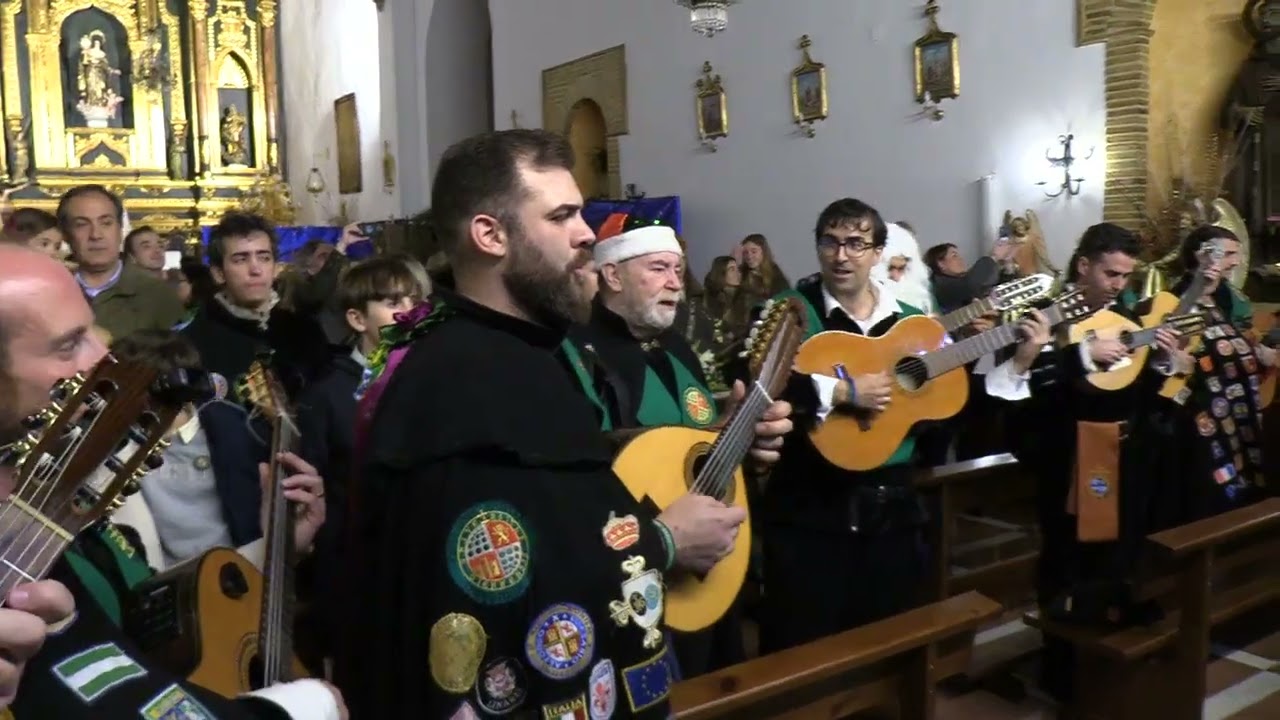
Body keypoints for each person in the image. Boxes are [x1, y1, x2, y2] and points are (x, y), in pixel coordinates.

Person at [336, 129, 745, 719]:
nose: (586, 234)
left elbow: (568, 506)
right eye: (562, 216)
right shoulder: (466, 373)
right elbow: (497, 569)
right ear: (489, 234)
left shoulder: (516, 349)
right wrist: (665, 540)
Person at [0, 243, 344, 717]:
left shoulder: (55, 493)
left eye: (95, 333)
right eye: (69, 344)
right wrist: (298, 709)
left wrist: (275, 544)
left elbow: (149, 613)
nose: (104, 359)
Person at [566, 221, 793, 678]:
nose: (675, 282)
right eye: (658, 268)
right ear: (612, 276)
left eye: (677, 268)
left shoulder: (678, 349)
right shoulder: (578, 350)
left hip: (710, 569)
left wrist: (742, 438)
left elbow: (696, 446)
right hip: (634, 574)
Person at [983, 222, 1190, 702]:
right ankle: (1062, 671)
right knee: (1067, 566)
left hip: (1124, 459)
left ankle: (1106, 664)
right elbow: (1024, 391)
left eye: (1125, 276)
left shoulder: (1128, 323)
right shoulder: (1045, 319)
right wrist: (1081, 355)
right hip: (1070, 461)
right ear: (1083, 266)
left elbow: (1136, 395)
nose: (1119, 284)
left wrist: (1161, 365)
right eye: (1111, 273)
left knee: (1120, 560)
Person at [755, 198, 931, 654]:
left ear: (877, 253)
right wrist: (841, 392)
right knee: (804, 642)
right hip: (809, 505)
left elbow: (940, 399)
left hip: (891, 506)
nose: (841, 255)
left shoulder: (911, 322)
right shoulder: (791, 309)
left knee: (886, 638)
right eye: (830, 243)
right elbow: (759, 378)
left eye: (856, 243)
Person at [1156, 224, 1276, 520]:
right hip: (1201, 416)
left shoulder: (1222, 299)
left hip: (1236, 412)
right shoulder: (1176, 298)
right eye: (1229, 254)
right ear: (1202, 256)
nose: (1235, 262)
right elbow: (1172, 336)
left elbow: (1240, 341)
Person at [181, 212, 329, 402]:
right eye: (241, 259)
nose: (255, 269)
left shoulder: (306, 331)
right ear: (219, 273)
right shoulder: (192, 342)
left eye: (264, 258)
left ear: (275, 268)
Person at [58, 185, 184, 339]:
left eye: (106, 223)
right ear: (65, 234)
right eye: (82, 224)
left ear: (120, 229)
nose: (96, 235)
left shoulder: (158, 295)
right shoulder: (47, 295)